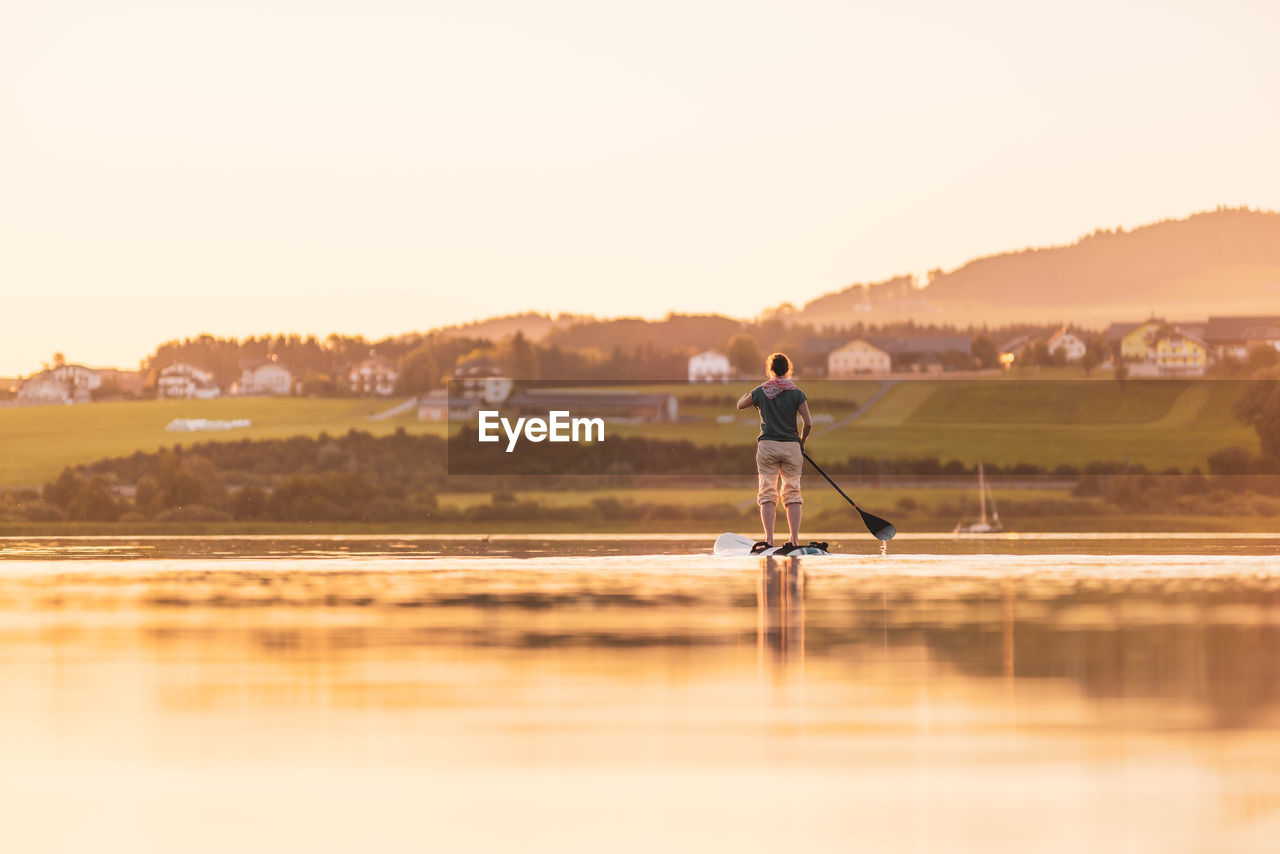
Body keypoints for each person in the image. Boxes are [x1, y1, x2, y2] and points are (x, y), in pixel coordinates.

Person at [736, 352, 812, 554]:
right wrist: (801, 442)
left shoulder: (761, 391)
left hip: (768, 446)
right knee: (793, 492)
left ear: (770, 369)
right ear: (788, 369)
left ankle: (769, 539)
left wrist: (752, 394)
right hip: (792, 447)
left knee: (767, 492)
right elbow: (808, 423)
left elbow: (740, 404)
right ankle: (794, 539)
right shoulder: (797, 393)